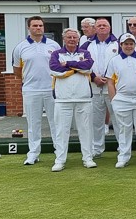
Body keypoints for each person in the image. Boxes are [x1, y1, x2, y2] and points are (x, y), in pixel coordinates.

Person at [12, 16, 61, 166]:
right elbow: (17, 70)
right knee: (33, 124)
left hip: (52, 89)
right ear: (29, 28)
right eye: (35, 26)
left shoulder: (54, 45)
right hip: (31, 90)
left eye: (40, 25)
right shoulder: (20, 47)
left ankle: (59, 153)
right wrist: (29, 80)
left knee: (56, 123)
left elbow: (59, 66)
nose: (38, 28)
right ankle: (33, 154)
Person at [106, 33, 136, 168]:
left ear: (135, 45)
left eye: (131, 43)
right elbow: (110, 82)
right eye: (126, 44)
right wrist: (114, 99)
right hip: (122, 98)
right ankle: (123, 156)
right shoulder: (114, 61)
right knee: (124, 129)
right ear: (121, 45)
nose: (128, 46)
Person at [49, 28, 95, 171]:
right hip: (63, 99)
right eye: (69, 37)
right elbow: (55, 70)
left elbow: (88, 67)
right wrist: (76, 66)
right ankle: (60, 160)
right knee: (62, 131)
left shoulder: (85, 53)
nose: (72, 39)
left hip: (84, 97)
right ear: (64, 38)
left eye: (74, 37)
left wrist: (68, 64)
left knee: (86, 130)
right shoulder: (56, 54)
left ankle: (88, 158)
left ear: (78, 39)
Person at [79, 18, 117, 160]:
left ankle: (122, 148)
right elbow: (82, 64)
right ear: (95, 28)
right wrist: (94, 77)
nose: (102, 27)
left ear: (109, 28)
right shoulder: (86, 45)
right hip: (94, 88)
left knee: (118, 120)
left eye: (104, 25)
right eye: (99, 25)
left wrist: (108, 78)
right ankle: (97, 149)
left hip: (112, 88)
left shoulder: (117, 43)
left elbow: (120, 63)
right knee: (96, 121)